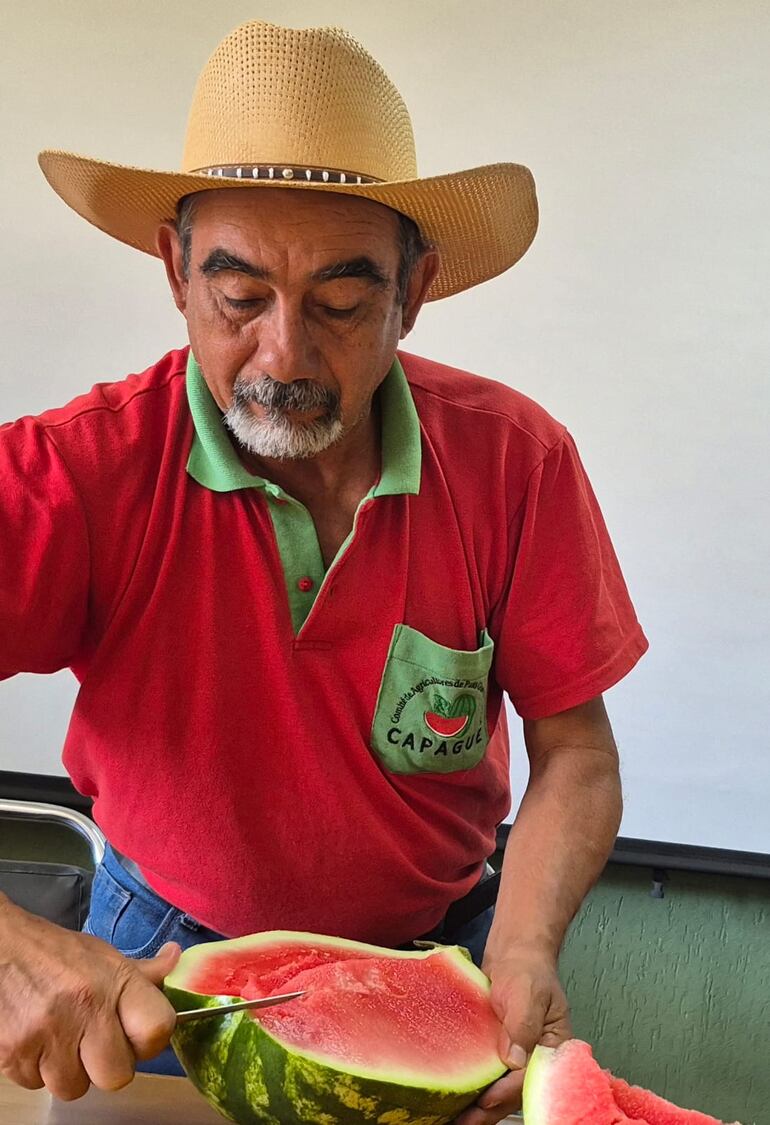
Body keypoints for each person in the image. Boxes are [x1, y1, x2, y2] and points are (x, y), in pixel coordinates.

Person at [0, 19, 647, 1123]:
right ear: (172, 268)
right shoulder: (76, 471)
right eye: (238, 294)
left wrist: (524, 949)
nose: (283, 358)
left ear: (416, 286)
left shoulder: (515, 459)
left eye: (342, 303)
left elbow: (575, 749)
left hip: (451, 949)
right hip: (156, 970)